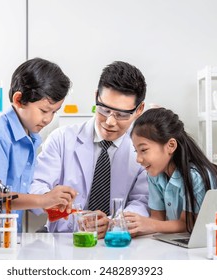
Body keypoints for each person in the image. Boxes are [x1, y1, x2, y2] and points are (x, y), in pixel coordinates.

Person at [29, 61, 149, 238]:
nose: (110, 121)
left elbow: (142, 201)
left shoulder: (143, 149)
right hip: (65, 239)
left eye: (122, 114)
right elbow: (36, 186)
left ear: (139, 110)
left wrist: (114, 222)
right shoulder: (61, 139)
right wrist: (50, 199)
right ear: (96, 97)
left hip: (116, 240)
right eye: (104, 109)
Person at [0, 57, 77, 232]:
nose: (48, 119)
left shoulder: (30, 137)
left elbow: (20, 193)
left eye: (54, 112)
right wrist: (43, 200)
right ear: (19, 100)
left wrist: (50, 201)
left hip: (5, 234)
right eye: (44, 110)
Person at [125, 107, 217, 237]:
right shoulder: (155, 175)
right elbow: (157, 219)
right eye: (136, 151)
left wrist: (148, 224)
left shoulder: (195, 177)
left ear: (171, 146)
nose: (138, 159)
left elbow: (188, 224)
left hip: (208, 245)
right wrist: (134, 228)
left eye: (144, 150)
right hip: (176, 243)